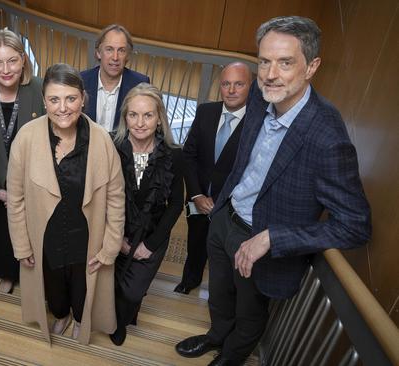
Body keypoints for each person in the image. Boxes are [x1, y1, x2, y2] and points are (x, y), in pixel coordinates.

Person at [174, 16, 371, 365]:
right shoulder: (258, 101)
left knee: (249, 314)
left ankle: (230, 357)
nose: (269, 74)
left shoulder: (327, 137)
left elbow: (355, 224)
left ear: (311, 67)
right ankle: (216, 335)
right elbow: (243, 166)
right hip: (224, 221)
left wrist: (273, 238)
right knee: (218, 295)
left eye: (285, 62)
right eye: (264, 61)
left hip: (261, 243)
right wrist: (221, 207)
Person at [7, 63, 125, 344]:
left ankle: (82, 319)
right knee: (55, 289)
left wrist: (110, 246)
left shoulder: (102, 140)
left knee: (83, 289)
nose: (63, 107)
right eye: (54, 99)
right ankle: (61, 315)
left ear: (83, 98)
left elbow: (116, 198)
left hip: (86, 238)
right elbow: (15, 198)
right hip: (45, 237)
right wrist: (22, 244)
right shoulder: (26, 137)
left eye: (71, 98)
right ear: (44, 100)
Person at [109, 83, 184, 346]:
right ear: (125, 117)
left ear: (159, 118)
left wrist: (149, 245)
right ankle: (123, 319)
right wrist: (115, 238)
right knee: (113, 287)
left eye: (148, 115)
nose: (140, 123)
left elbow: (176, 204)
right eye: (133, 115)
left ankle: (127, 314)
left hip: (152, 235)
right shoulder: (111, 145)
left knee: (131, 292)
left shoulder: (174, 155)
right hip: (114, 230)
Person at [0, 29, 44, 294]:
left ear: (23, 60)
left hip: (33, 185)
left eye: (12, 60)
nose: (6, 69)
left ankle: (30, 275)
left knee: (31, 233)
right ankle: (7, 274)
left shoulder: (39, 88)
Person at [175, 62, 252, 295]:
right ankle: (190, 280)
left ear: (251, 86)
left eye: (238, 84)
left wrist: (222, 202)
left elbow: (251, 171)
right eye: (226, 84)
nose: (231, 90)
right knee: (195, 241)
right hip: (197, 198)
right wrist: (197, 195)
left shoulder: (258, 124)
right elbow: (188, 155)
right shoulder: (205, 111)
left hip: (230, 206)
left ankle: (218, 296)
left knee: (224, 251)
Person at [81, 24, 150, 131]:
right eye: (109, 49)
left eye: (121, 50)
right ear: (99, 53)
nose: (115, 57)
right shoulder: (81, 80)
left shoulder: (140, 84)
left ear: (127, 55)